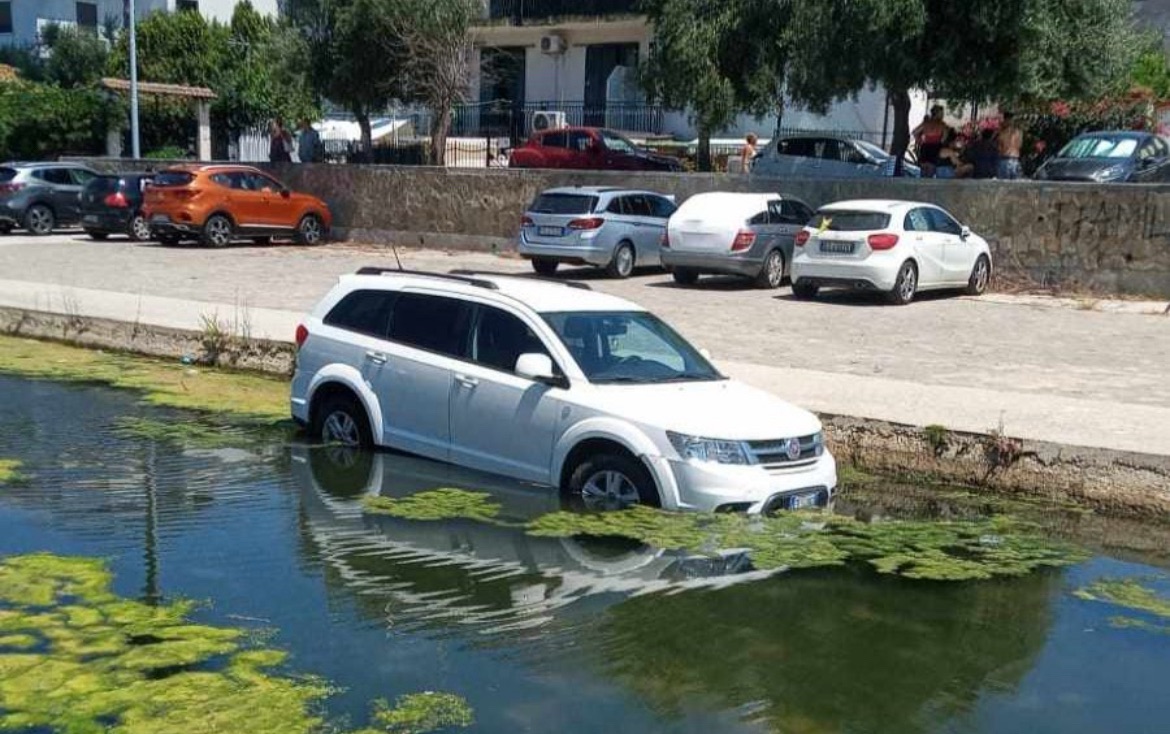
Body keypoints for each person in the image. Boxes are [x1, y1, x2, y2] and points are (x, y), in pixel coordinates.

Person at [913, 105, 950, 177]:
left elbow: (914, 132)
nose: (943, 115)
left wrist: (919, 141)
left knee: (923, 170)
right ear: (938, 114)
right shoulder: (942, 125)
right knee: (931, 170)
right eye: (941, 113)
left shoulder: (925, 123)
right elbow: (944, 138)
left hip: (925, 146)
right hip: (935, 147)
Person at [997, 111, 1023, 180]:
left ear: (1006, 120)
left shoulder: (1002, 133)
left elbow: (1000, 147)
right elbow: (1020, 145)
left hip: (1005, 160)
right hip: (1015, 160)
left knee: (1003, 185)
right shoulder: (1018, 132)